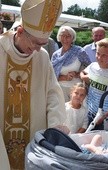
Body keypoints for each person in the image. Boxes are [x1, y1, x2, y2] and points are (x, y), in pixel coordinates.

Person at [0, 0, 68, 169]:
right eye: (36, 43)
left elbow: (53, 93)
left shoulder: (42, 57)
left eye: (43, 44)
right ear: (20, 31)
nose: (38, 49)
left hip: (32, 137)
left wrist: (55, 127)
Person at [80, 38, 108, 130]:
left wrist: (104, 116)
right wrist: (83, 77)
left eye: (104, 55)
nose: (99, 57)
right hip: (90, 112)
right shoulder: (92, 66)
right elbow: (82, 72)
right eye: (98, 54)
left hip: (105, 117)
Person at [51, 25, 91, 102]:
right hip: (60, 90)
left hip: (77, 91)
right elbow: (51, 75)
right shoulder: (55, 54)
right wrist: (65, 77)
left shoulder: (79, 51)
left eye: (68, 36)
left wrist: (77, 74)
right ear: (59, 37)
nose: (65, 38)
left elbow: (90, 68)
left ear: (73, 38)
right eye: (62, 35)